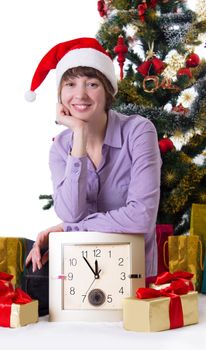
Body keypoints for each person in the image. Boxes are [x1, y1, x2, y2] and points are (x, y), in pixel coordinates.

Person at [25, 37, 161, 287]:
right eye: (70, 84)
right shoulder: (60, 147)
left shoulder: (139, 132)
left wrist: (70, 228)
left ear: (107, 90)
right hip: (77, 275)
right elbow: (70, 212)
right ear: (60, 95)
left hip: (134, 277)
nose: (80, 94)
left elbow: (141, 217)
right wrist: (78, 134)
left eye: (92, 83)